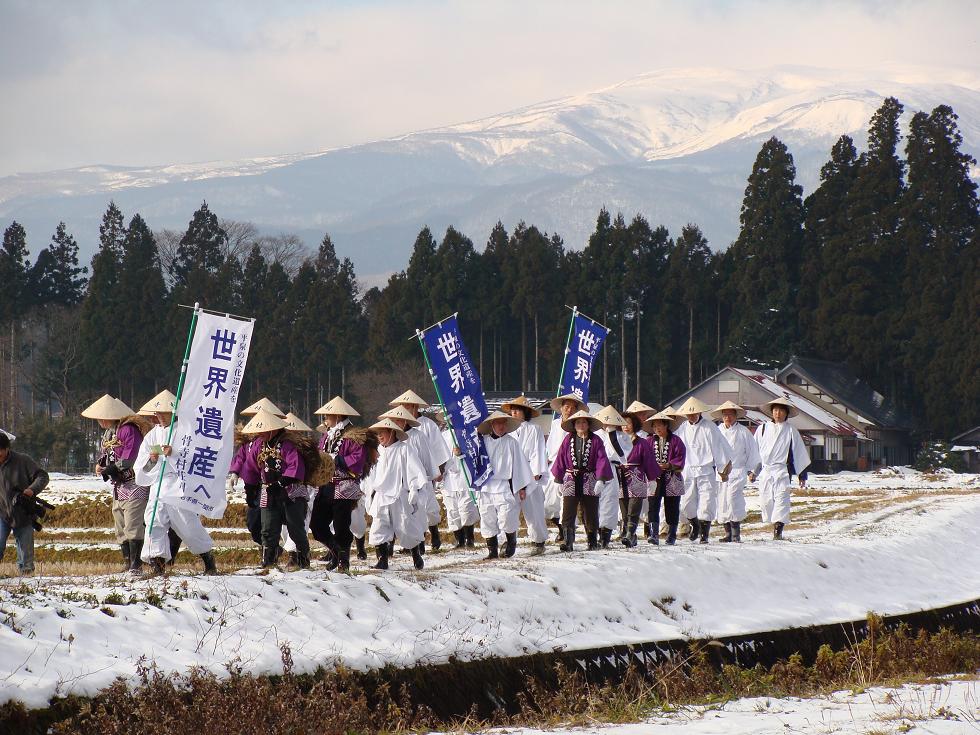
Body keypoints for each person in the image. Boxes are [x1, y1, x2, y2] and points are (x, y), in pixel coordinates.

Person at [135, 391, 218, 576]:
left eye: (163, 413)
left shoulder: (187, 431)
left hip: (178, 485)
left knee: (187, 524)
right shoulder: (152, 435)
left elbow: (197, 457)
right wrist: (152, 460)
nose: (160, 417)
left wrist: (174, 454)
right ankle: (157, 563)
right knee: (153, 522)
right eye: (157, 414)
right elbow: (142, 467)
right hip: (158, 485)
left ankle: (207, 558)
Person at [82, 394, 153, 574]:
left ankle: (136, 564)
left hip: (135, 482)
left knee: (133, 524)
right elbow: (106, 454)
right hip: (119, 485)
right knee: (120, 525)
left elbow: (130, 456)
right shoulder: (108, 433)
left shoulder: (129, 430)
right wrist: (101, 466)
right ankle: (128, 561)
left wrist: (111, 469)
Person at [240, 408, 311, 569]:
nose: (260, 433)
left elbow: (295, 466)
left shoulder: (287, 445)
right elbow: (250, 468)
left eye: (263, 430)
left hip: (290, 491)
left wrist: (281, 483)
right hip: (269, 492)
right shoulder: (259, 445)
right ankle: (269, 562)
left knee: (295, 527)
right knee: (268, 527)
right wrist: (250, 489)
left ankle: (303, 560)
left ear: (272, 428)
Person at [388, 391, 450, 551]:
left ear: (415, 407)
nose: (406, 409)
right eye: (403, 406)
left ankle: (431, 536)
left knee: (426, 510)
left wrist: (437, 470)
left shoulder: (426, 427)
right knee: (403, 513)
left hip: (420, 477)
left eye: (409, 406)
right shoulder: (392, 434)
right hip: (400, 481)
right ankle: (410, 544)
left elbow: (436, 450)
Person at [363, 418, 428, 570]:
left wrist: (414, 489)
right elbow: (371, 474)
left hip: (399, 495)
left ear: (391, 432)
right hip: (381, 496)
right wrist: (368, 492)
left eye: (382, 433)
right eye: (378, 434)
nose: (379, 436)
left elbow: (414, 470)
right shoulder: (377, 451)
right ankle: (382, 560)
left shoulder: (404, 449)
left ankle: (416, 555)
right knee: (379, 527)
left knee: (406, 527)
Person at [312, 396, 369, 562]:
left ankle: (344, 561)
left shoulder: (353, 435)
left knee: (341, 526)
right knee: (316, 524)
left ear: (337, 415)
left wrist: (336, 459)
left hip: (344, 486)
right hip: (326, 486)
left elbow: (358, 459)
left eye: (327, 416)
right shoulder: (327, 435)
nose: (325, 419)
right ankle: (336, 551)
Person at [471, 410, 534, 559]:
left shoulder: (511, 442)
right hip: (486, 486)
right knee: (487, 518)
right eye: (498, 423)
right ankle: (492, 551)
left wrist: (522, 487)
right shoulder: (483, 442)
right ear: (492, 424)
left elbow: (520, 466)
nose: (501, 426)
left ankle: (511, 541)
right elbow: (472, 459)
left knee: (507, 517)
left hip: (504, 485)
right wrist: (459, 452)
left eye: (503, 423)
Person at [671, 397, 732, 544]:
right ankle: (695, 524)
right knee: (686, 503)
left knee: (707, 501)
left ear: (699, 412)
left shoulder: (709, 427)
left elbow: (719, 447)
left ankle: (704, 533)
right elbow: (676, 447)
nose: (692, 416)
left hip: (705, 470)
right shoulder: (683, 428)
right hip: (688, 470)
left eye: (694, 413)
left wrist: (722, 469)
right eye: (689, 414)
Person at [550, 409, 613, 552]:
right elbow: (560, 458)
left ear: (589, 424)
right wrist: (558, 479)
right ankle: (568, 542)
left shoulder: (596, 440)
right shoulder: (568, 439)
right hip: (571, 478)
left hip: (589, 478)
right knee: (568, 510)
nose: (581, 425)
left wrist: (601, 479)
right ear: (574, 424)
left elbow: (601, 459)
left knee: (590, 510)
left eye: (584, 422)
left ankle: (592, 541)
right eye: (578, 422)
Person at [751, 397, 810, 540]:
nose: (778, 413)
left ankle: (778, 530)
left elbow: (799, 453)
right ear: (772, 412)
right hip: (766, 470)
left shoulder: (791, 430)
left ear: (786, 413)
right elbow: (755, 452)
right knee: (766, 501)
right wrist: (753, 471)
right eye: (776, 410)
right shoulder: (762, 429)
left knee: (782, 499)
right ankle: (773, 522)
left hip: (782, 470)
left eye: (781, 411)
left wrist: (802, 475)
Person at [501, 395, 549, 556]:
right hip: (511, 474)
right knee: (508, 510)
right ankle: (507, 541)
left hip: (529, 473)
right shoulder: (506, 431)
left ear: (525, 412)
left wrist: (536, 473)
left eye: (517, 411)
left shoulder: (534, 429)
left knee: (533, 509)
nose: (514, 414)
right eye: (512, 411)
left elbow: (538, 451)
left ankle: (538, 540)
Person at [0, 431, 49, 576]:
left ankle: (27, 583)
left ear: (7, 449)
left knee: (26, 557)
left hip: (24, 512)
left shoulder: (23, 460)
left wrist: (31, 490)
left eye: (0, 454)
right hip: (2, 513)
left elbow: (42, 476)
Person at [711, 401, 760, 543]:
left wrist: (752, 471)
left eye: (731, 414)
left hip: (738, 470)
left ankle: (736, 532)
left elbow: (752, 452)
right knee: (722, 500)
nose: (728, 417)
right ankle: (727, 532)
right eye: (725, 415)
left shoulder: (743, 432)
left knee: (733, 498)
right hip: (721, 472)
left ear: (736, 416)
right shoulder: (717, 431)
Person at [545, 393, 587, 542]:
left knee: (567, 499)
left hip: (570, 464)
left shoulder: (576, 425)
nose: (569, 410)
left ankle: (567, 531)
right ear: (561, 408)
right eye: (566, 406)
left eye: (572, 407)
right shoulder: (555, 423)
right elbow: (550, 444)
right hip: (554, 464)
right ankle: (559, 526)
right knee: (549, 500)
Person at [644, 410, 686, 545]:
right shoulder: (649, 441)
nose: (657, 429)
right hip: (654, 477)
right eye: (654, 426)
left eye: (659, 426)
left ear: (666, 425)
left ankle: (672, 534)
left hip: (672, 476)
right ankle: (653, 534)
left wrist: (669, 465)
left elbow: (680, 457)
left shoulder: (676, 440)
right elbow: (644, 457)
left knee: (672, 505)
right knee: (653, 505)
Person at [595, 405, 631, 549]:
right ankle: (595, 533)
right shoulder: (596, 434)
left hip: (611, 469)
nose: (607, 424)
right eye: (605, 421)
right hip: (595, 470)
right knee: (594, 503)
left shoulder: (622, 436)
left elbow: (624, 456)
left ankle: (605, 536)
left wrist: (612, 436)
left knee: (609, 503)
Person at [440, 420, 479, 548]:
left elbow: (475, 451)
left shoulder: (467, 433)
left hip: (464, 475)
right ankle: (459, 539)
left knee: (466, 508)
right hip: (449, 478)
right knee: (452, 510)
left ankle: (470, 538)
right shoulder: (443, 435)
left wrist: (462, 453)